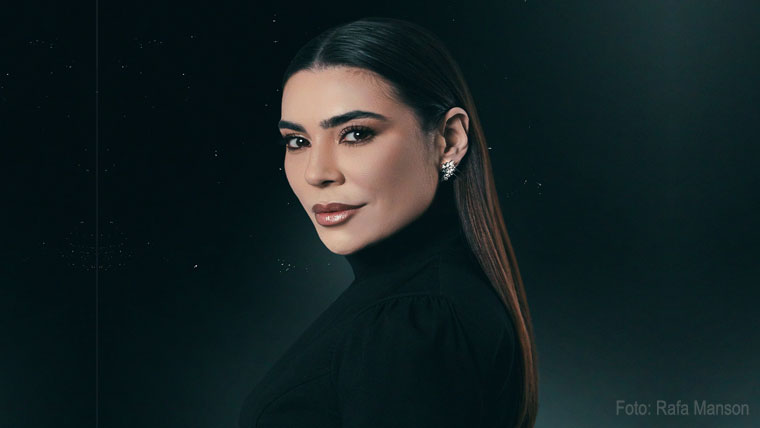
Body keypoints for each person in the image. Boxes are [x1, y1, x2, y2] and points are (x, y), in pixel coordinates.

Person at [239, 17, 538, 428]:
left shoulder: (414, 321)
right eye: (298, 141)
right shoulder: (427, 303)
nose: (316, 172)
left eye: (355, 134)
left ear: (449, 140)